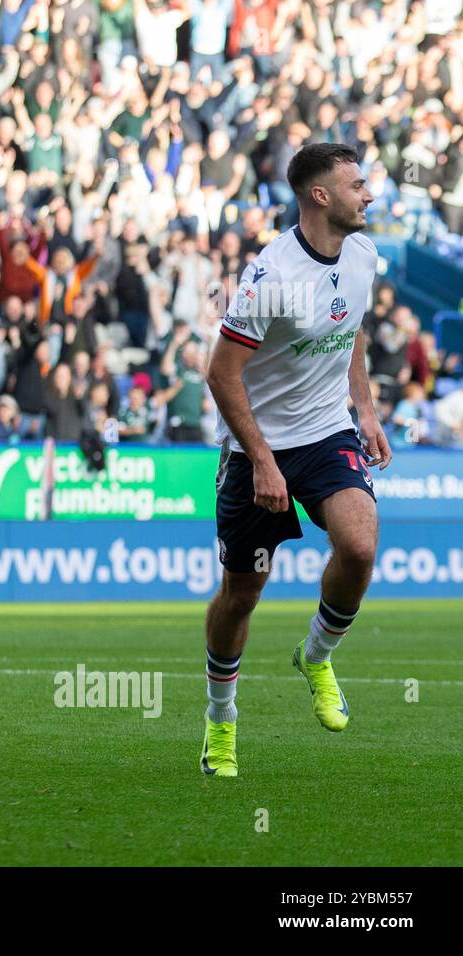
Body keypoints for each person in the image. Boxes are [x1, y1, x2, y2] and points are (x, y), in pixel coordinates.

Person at [201, 143, 392, 777]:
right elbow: (222, 374)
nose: (369, 195)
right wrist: (260, 459)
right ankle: (221, 722)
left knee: (360, 546)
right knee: (241, 594)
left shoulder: (362, 252)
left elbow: (353, 330)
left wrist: (363, 409)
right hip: (259, 447)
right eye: (357, 185)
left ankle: (315, 654)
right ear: (320, 197)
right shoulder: (272, 277)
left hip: (326, 434)